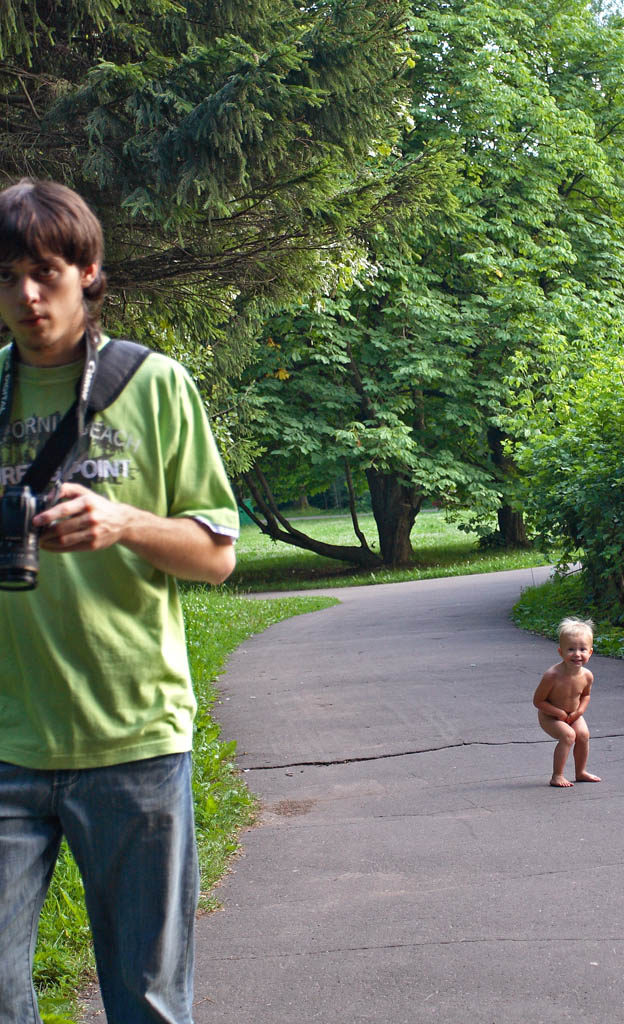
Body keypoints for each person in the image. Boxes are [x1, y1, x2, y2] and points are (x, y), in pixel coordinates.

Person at [0, 179, 239, 1024]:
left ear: (88, 272)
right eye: (7, 277)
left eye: (45, 272)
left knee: (146, 1002)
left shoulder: (156, 384)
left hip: (134, 736)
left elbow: (217, 555)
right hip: (7, 739)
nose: (26, 295)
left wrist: (123, 521)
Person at [532, 616, 602, 788]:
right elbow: (538, 701)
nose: (577, 654)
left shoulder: (587, 675)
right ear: (560, 652)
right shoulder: (552, 675)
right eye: (571, 649)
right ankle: (557, 775)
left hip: (573, 714)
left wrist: (579, 712)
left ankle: (580, 772)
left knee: (583, 735)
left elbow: (586, 695)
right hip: (551, 716)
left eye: (582, 649)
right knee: (568, 735)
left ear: (590, 652)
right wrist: (559, 713)